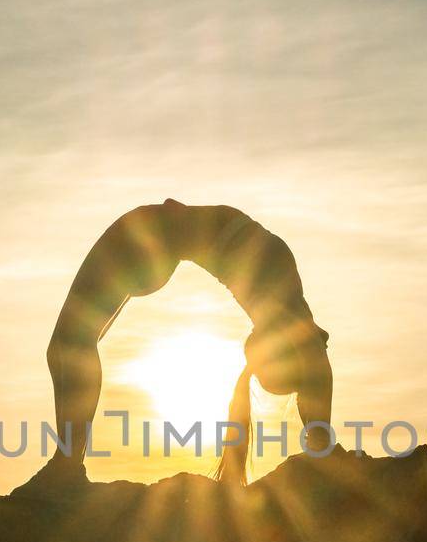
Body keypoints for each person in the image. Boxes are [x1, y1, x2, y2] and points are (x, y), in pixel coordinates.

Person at [31, 199, 332, 489]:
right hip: (155, 240)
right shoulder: (284, 306)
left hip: (151, 237)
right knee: (66, 346)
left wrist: (322, 444)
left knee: (67, 345)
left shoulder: (280, 293)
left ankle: (66, 465)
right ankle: (67, 463)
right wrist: (322, 446)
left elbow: (315, 367)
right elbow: (316, 368)